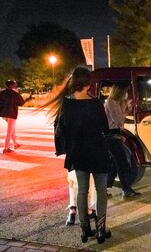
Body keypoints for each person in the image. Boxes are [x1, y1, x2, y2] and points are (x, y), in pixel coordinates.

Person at [43, 67, 111, 244]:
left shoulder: (66, 104)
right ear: (89, 84)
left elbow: (61, 130)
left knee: (82, 190)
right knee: (101, 190)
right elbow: (104, 127)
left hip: (78, 153)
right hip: (98, 152)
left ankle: (85, 229)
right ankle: (101, 230)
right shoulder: (96, 103)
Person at [104, 83, 140, 198]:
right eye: (125, 91)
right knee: (122, 163)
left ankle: (105, 187)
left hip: (114, 134)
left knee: (115, 163)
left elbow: (120, 120)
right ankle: (126, 189)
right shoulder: (111, 103)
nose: (126, 94)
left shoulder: (114, 103)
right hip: (111, 135)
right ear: (120, 91)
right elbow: (119, 121)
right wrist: (126, 108)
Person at [0, 80, 25, 154]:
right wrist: (17, 94)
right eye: (14, 85)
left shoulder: (2, 93)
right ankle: (6, 148)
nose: (15, 86)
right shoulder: (14, 94)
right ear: (11, 86)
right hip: (11, 114)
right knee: (9, 130)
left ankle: (15, 143)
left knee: (12, 128)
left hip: (3, 114)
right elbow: (21, 103)